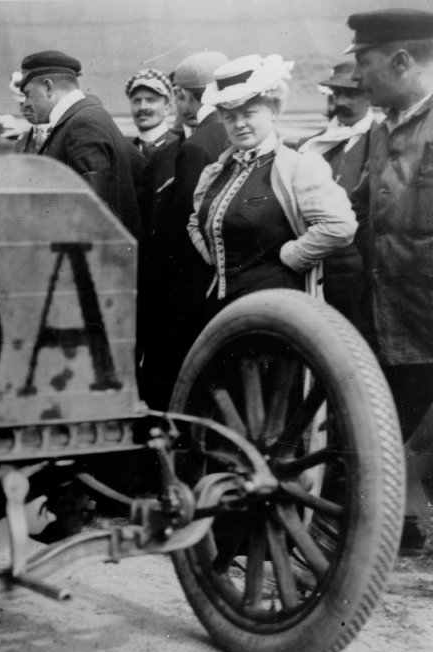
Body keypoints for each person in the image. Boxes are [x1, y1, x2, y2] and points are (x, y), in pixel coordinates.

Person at [343, 8, 433, 551]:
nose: (356, 78)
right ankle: (403, 533)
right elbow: (356, 209)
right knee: (394, 442)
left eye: (364, 63)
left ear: (401, 61)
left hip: (429, 323)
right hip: (391, 323)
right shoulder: (382, 130)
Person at [188, 55, 356, 308]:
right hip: (220, 306)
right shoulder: (216, 171)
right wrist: (215, 257)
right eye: (230, 116)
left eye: (249, 113)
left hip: (277, 306)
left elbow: (339, 226)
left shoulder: (297, 166)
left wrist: (291, 257)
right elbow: (194, 221)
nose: (239, 124)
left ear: (274, 110)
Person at [136, 51, 229, 410]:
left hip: (183, 293)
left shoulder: (194, 147)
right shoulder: (233, 137)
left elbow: (182, 228)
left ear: (185, 96)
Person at [17, 50, 142, 237]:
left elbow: (90, 209)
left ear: (48, 87)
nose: (27, 103)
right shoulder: (85, 118)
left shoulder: (81, 124)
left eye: (28, 94)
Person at [298, 61, 375, 332]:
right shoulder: (314, 144)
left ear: (369, 95)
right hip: (316, 259)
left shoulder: (380, 139)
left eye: (350, 94)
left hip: (359, 261)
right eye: (337, 94)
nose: (341, 101)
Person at [126, 68, 178, 157]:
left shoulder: (181, 148)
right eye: (137, 101)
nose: (142, 107)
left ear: (167, 108)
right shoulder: (125, 151)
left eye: (150, 100)